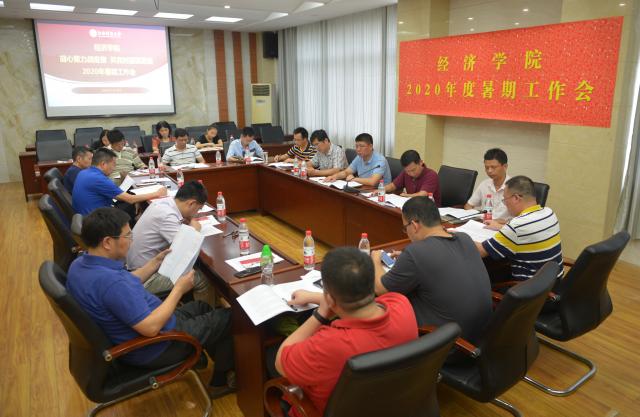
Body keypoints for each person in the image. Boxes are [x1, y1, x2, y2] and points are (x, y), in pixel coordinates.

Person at [66, 208, 235, 399]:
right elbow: (151, 328)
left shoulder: (80, 264)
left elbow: (127, 282)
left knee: (202, 307)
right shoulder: (111, 284)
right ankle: (219, 382)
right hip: (156, 346)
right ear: (107, 242)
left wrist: (154, 263)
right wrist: (179, 290)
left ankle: (208, 357)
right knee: (229, 317)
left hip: (149, 326)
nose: (131, 241)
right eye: (128, 236)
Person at [274, 247, 417, 416]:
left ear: (330, 299)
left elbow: (280, 363)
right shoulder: (401, 304)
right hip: (393, 403)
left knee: (270, 354)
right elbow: (366, 302)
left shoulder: (327, 345)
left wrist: (320, 315)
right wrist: (317, 297)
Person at [371, 196, 491, 345]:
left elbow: (381, 289)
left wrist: (375, 260)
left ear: (414, 225)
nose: (406, 232)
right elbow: (442, 258)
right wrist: (408, 258)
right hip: (481, 337)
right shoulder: (465, 238)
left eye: (405, 228)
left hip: (445, 345)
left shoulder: (416, 252)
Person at [127, 180, 209, 296]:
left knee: (193, 268)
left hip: (140, 267)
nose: (196, 213)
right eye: (198, 209)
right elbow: (186, 248)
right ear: (191, 203)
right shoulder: (167, 216)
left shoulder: (164, 203)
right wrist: (195, 229)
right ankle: (204, 307)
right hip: (145, 277)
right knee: (202, 279)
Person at [477, 175, 563, 282]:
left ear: (516, 198)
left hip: (526, 289)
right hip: (552, 282)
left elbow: (481, 252)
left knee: (479, 273)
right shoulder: (549, 213)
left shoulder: (516, 226)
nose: (505, 204)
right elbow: (529, 230)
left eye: (505, 200)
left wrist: (460, 236)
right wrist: (500, 226)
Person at [72, 148, 167, 216]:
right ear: (103, 164)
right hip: (97, 220)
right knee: (136, 207)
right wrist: (157, 193)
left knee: (132, 205)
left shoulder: (84, 172)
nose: (114, 168)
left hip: (88, 215)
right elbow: (130, 199)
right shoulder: (98, 178)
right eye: (114, 165)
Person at [373, 150, 441, 205]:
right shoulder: (406, 173)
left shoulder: (431, 175)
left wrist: (406, 196)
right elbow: (393, 186)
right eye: (408, 171)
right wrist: (382, 190)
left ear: (420, 162)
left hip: (430, 211)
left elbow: (422, 195)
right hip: (412, 207)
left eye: (413, 170)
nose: (411, 174)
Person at [325, 133, 392, 186]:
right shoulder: (359, 157)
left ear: (371, 146)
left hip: (381, 192)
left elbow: (373, 182)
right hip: (364, 187)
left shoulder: (380, 160)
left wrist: (354, 179)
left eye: (362, 146)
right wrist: (334, 176)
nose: (358, 149)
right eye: (356, 146)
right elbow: (346, 172)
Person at [465, 148, 511, 221]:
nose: (489, 171)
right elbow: (468, 206)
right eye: (487, 167)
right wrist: (477, 217)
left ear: (505, 166)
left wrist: (502, 223)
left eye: (493, 167)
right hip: (483, 223)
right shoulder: (484, 184)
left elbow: (521, 218)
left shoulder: (514, 187)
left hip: (503, 226)